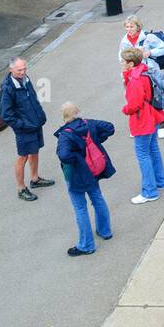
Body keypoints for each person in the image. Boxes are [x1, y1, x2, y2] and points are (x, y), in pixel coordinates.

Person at [54, 102, 114, 256]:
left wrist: (77, 157)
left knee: (80, 208)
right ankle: (105, 230)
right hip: (93, 170)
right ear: (78, 112)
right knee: (97, 198)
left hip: (76, 174)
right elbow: (109, 127)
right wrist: (96, 141)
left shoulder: (65, 135)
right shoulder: (89, 124)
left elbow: (64, 155)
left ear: (64, 116)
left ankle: (86, 245)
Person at [0, 56, 53, 201]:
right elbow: (6, 115)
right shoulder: (7, 88)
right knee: (23, 156)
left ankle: (35, 179)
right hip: (25, 128)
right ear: (11, 70)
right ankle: (21, 188)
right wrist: (23, 125)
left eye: (24, 68)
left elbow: (33, 98)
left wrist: (40, 115)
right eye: (19, 70)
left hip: (35, 123)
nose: (23, 72)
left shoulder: (25, 79)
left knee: (34, 151)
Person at [122, 47, 164, 204]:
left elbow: (134, 104)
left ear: (130, 63)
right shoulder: (145, 71)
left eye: (124, 61)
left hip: (142, 120)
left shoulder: (135, 80)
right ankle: (160, 181)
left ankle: (149, 191)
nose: (121, 63)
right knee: (153, 149)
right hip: (153, 115)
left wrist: (125, 109)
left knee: (143, 154)